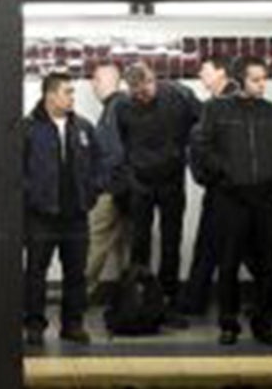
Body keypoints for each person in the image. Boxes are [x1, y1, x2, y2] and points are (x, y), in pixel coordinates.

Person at [190, 54, 272, 347]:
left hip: (265, 198)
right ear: (240, 80)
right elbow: (202, 147)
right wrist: (225, 175)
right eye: (256, 79)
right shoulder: (216, 110)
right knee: (229, 264)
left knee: (266, 266)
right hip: (230, 198)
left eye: (264, 79)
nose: (262, 85)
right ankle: (228, 323)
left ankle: (263, 323)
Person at [113, 62, 200, 306]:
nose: (143, 95)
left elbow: (202, 127)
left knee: (171, 241)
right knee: (140, 243)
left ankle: (169, 295)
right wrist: (129, 173)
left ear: (154, 79)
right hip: (140, 182)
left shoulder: (179, 96)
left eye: (147, 88)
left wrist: (189, 159)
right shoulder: (122, 106)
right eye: (137, 93)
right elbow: (123, 142)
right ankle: (138, 296)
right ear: (130, 89)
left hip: (171, 179)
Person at [22, 71, 100, 345]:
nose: (72, 97)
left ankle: (72, 324)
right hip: (42, 215)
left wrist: (91, 194)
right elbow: (16, 172)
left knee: (76, 273)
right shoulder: (28, 128)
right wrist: (32, 196)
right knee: (35, 272)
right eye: (67, 92)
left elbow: (97, 165)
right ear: (50, 94)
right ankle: (34, 324)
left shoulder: (83, 128)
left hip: (76, 214)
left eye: (72, 92)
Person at [176, 54, 233, 317]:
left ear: (221, 72)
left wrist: (208, 174)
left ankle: (195, 301)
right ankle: (195, 300)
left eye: (205, 70)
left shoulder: (226, 106)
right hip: (222, 186)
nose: (200, 74)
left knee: (212, 247)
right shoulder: (214, 105)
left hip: (225, 188)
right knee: (213, 247)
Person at [81, 60, 130, 302]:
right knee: (126, 248)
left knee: (95, 242)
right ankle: (130, 299)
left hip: (112, 190)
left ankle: (78, 295)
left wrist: (100, 184)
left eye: (97, 80)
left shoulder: (115, 107)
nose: (93, 85)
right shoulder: (119, 107)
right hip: (128, 190)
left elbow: (113, 154)